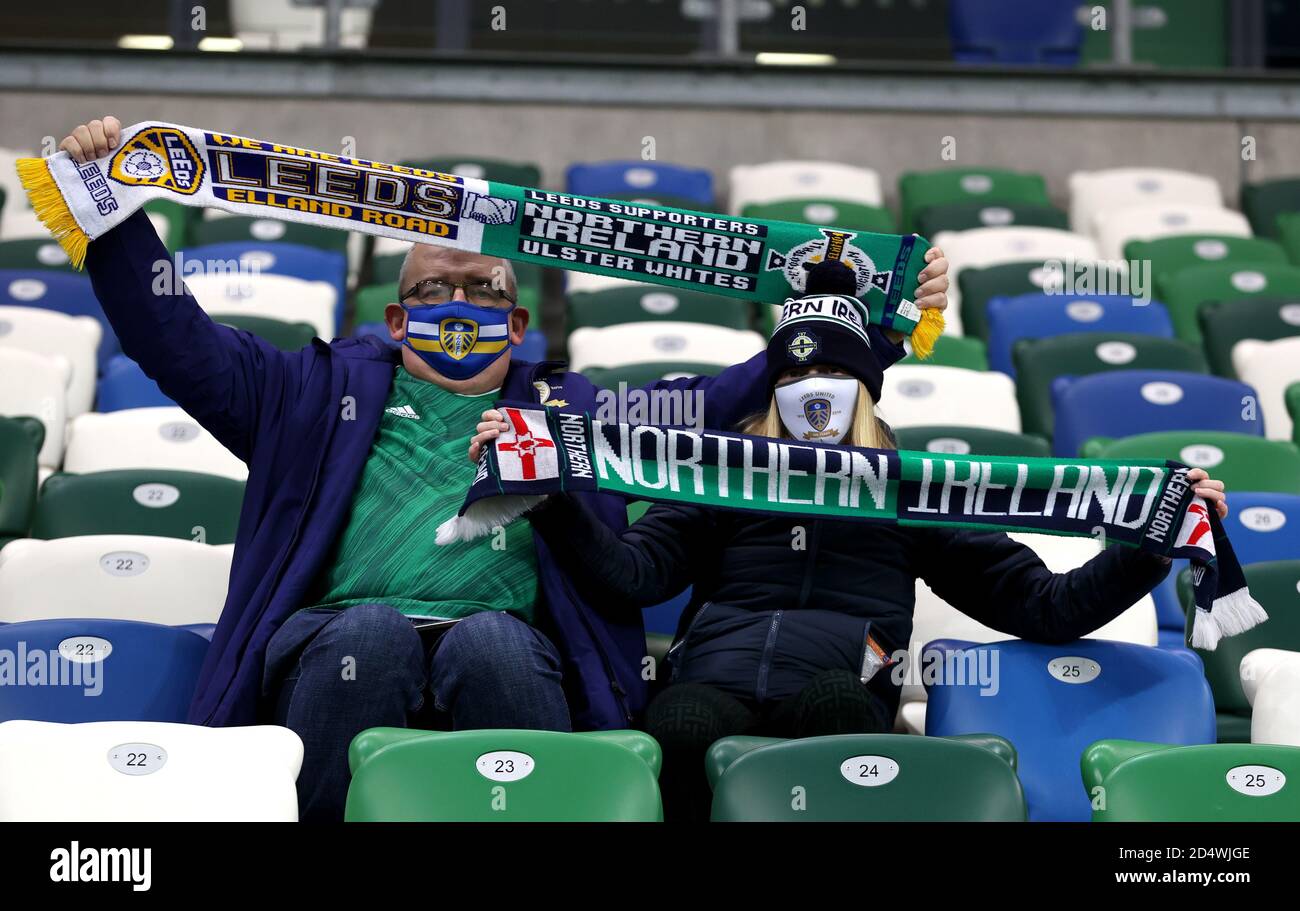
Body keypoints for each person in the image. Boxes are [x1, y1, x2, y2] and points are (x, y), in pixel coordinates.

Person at [59, 116, 951, 821]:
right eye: (433, 291)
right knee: (369, 632)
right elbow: (177, 343)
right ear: (397, 319)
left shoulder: (580, 411)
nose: (458, 305)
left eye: (484, 289)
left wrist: (867, 317)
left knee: (490, 637)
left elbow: (724, 401)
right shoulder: (303, 389)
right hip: (333, 641)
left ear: (519, 326)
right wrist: (114, 219)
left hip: (513, 650)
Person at [471, 260, 1231, 822]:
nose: (814, 387)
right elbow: (632, 574)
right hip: (715, 678)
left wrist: (1149, 544)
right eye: (798, 372)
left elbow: (1043, 604)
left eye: (835, 369)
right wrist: (549, 496)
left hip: (839, 684)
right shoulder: (723, 471)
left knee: (838, 706)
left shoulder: (915, 489)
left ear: (867, 384)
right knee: (683, 721)